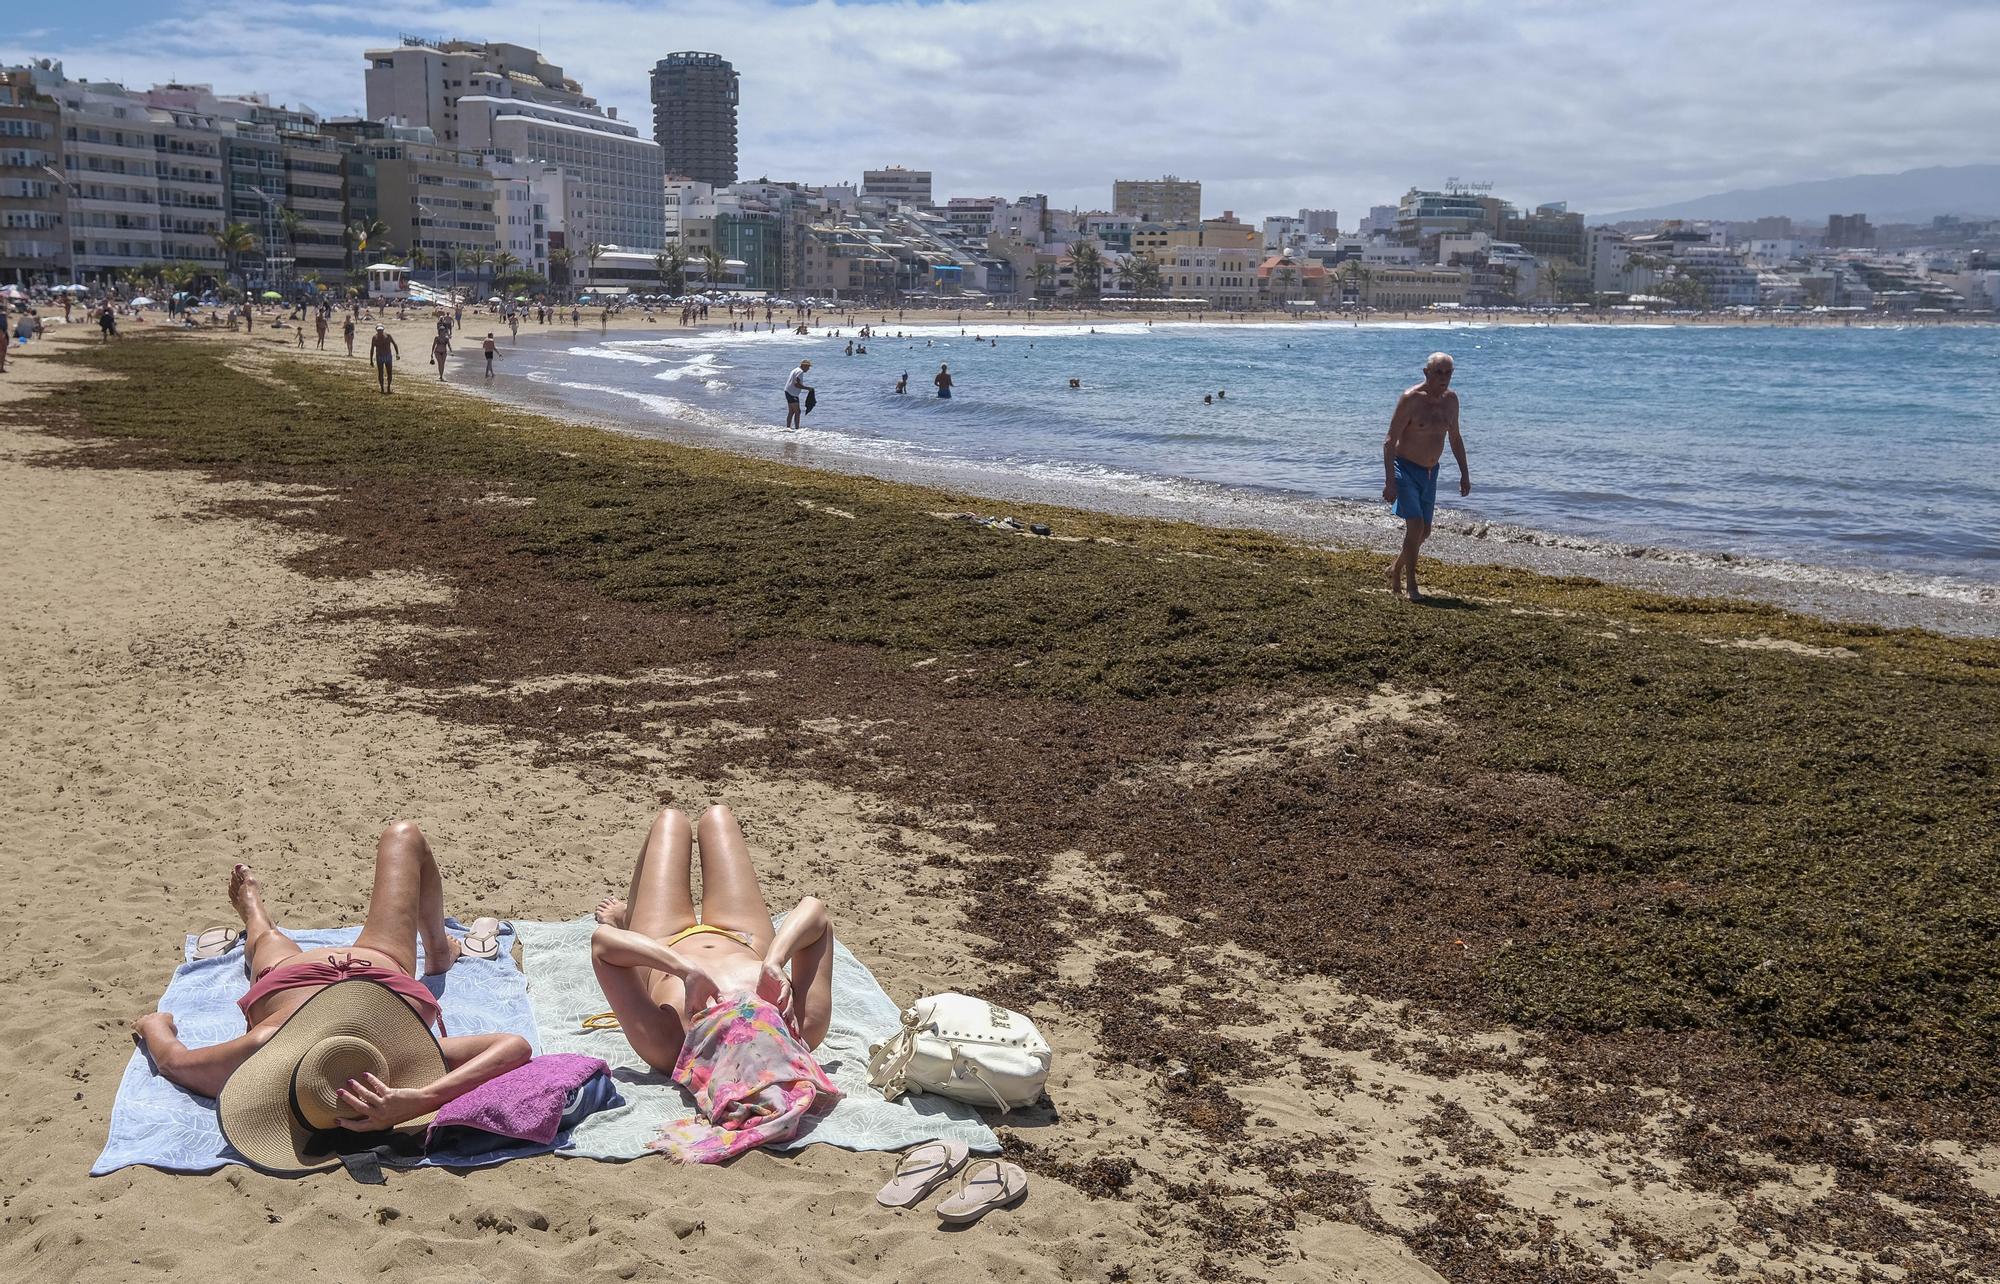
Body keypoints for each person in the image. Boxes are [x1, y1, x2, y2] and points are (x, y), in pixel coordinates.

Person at [129, 825, 529, 1174]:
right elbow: (515, 1047)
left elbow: (172, 1061)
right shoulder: (390, 1057)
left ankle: (255, 912)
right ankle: (438, 950)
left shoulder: (262, 1048)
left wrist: (154, 1025)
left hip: (295, 978)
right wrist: (418, 1100)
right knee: (403, 835)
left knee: (266, 938)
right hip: (376, 968)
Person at [588, 806, 835, 1075]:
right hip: (743, 937)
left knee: (670, 821)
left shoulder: (670, 1047)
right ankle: (632, 913)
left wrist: (684, 970)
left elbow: (603, 944)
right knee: (718, 816)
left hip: (665, 941)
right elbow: (815, 912)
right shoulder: (801, 1026)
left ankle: (631, 916)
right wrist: (776, 959)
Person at [1382, 352, 1471, 601]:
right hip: (1405, 468)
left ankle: (1396, 568)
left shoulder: (1451, 401)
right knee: (1416, 525)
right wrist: (1390, 481)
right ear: (1426, 372)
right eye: (1438, 372)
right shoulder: (1410, 399)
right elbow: (1389, 441)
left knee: (1425, 531)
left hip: (1431, 473)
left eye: (1448, 373)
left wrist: (1465, 473)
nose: (1444, 378)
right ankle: (1412, 585)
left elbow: (1455, 438)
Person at [783, 358, 813, 430]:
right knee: (797, 411)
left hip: (788, 391)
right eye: (808, 367)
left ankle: (788, 427)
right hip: (792, 393)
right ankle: (797, 429)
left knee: (791, 411)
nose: (808, 369)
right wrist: (808, 388)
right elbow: (797, 384)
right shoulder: (800, 372)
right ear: (804, 366)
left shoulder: (795, 369)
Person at [369, 325, 399, 394]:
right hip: (380, 356)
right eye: (378, 331)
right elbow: (372, 349)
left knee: (389, 372)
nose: (380, 332)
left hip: (388, 356)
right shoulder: (375, 338)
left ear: (383, 330)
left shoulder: (388, 336)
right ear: (376, 331)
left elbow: (395, 344)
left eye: (381, 330)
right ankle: (382, 388)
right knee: (380, 373)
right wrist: (371, 360)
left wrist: (397, 354)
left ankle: (388, 387)